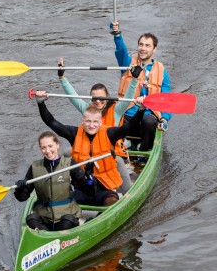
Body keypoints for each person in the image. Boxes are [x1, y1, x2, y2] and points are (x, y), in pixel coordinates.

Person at [34, 92, 145, 207]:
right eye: (88, 121)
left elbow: (129, 127)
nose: (91, 125)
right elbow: (52, 122)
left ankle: (103, 215)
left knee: (111, 203)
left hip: (105, 188)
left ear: (100, 122)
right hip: (82, 188)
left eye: (95, 122)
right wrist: (41, 103)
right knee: (61, 203)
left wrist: (141, 109)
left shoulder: (110, 133)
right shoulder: (74, 133)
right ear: (83, 121)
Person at [57, 57, 142, 193]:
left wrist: (135, 79)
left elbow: (129, 95)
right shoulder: (87, 110)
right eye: (94, 98)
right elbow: (73, 96)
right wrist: (62, 78)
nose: (98, 101)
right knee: (67, 152)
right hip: (91, 152)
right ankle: (67, 184)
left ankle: (125, 191)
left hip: (112, 154)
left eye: (101, 98)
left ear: (107, 97)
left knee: (118, 161)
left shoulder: (117, 109)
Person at [111, 21, 172, 152]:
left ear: (154, 49)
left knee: (149, 122)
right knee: (112, 121)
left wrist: (164, 118)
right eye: (141, 45)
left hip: (148, 116)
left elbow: (166, 100)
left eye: (147, 46)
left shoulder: (162, 71)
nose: (143, 48)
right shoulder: (127, 63)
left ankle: (143, 151)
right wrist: (117, 35)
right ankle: (121, 148)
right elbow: (120, 50)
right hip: (128, 115)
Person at [13, 131, 86, 231]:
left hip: (66, 214)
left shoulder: (69, 163)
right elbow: (22, 197)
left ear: (57, 145)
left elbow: (86, 188)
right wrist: (20, 189)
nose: (47, 151)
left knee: (68, 221)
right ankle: (46, 235)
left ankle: (57, 235)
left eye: (50, 146)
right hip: (44, 214)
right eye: (43, 148)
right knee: (31, 219)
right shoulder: (35, 167)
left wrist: (89, 177)